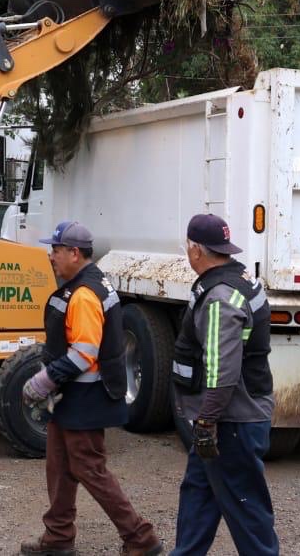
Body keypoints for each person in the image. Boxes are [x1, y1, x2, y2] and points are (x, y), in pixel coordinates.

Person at [20, 221, 162, 556]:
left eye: (55, 251)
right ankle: (57, 538)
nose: (51, 257)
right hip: (73, 398)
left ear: (74, 253)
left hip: (84, 398)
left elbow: (84, 354)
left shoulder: (84, 294)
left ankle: (141, 539)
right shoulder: (91, 283)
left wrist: (43, 381)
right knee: (59, 465)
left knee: (89, 469)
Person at [170, 213, 278, 556]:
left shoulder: (219, 297)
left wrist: (206, 421)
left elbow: (223, 370)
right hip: (229, 418)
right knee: (198, 497)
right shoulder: (242, 278)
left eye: (188, 246)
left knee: (245, 507)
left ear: (196, 250)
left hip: (231, 422)